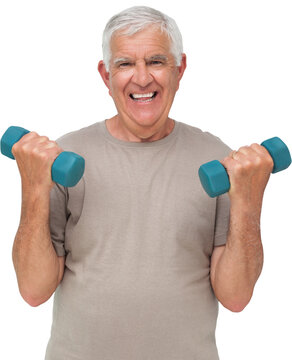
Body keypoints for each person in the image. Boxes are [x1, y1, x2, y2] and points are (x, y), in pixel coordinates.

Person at [11, 6, 274, 360]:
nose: (141, 78)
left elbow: (236, 297)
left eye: (156, 61)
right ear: (106, 76)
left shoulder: (220, 162)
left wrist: (248, 200)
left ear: (179, 70)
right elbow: (32, 291)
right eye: (124, 64)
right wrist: (33, 187)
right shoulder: (63, 157)